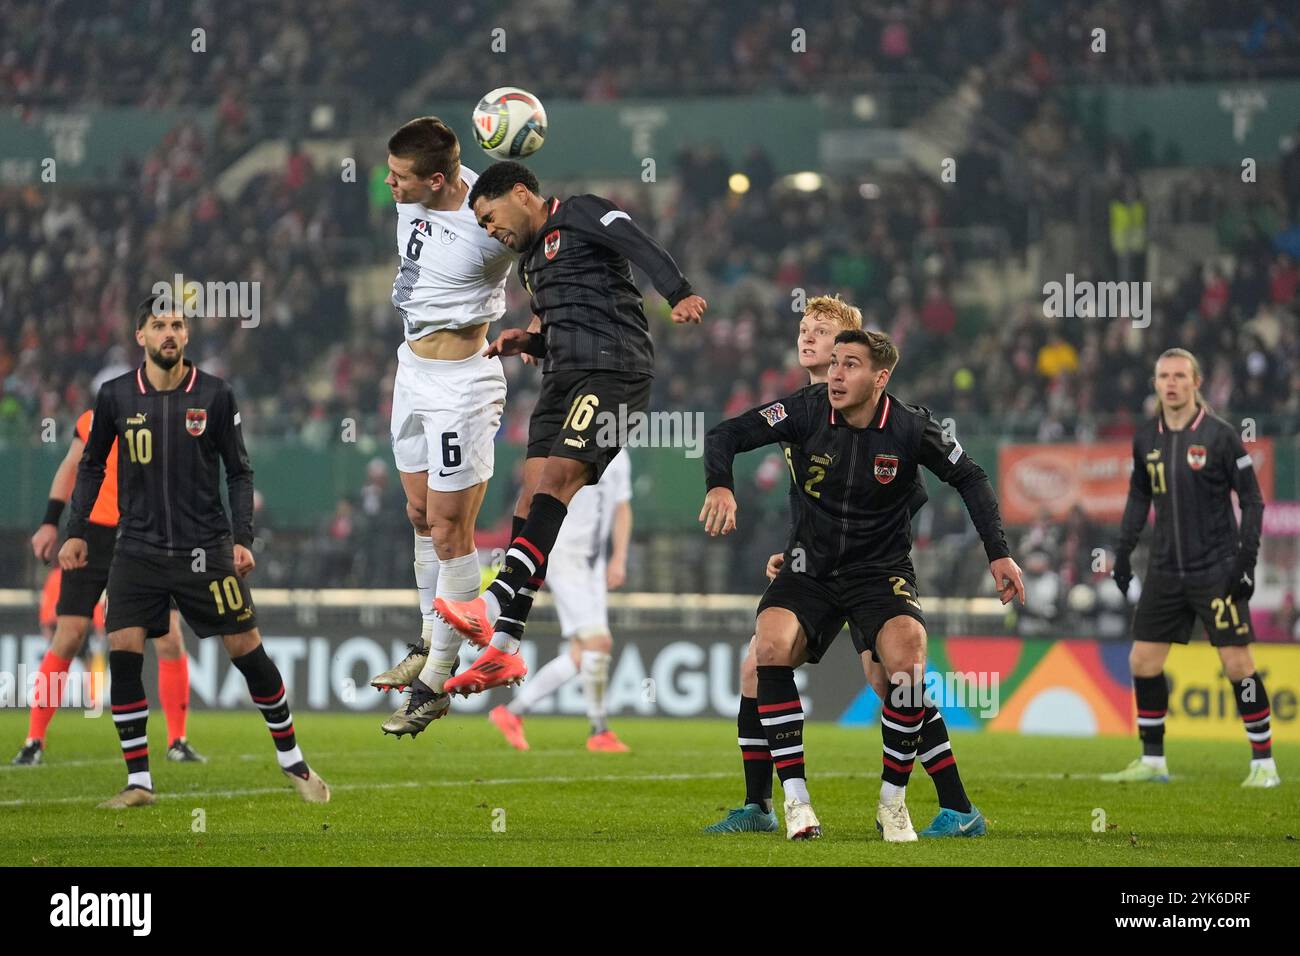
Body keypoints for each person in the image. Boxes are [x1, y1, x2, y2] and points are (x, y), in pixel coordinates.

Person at [699, 329, 1024, 839]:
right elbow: (725, 435)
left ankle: (893, 803)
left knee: (907, 661)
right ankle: (795, 803)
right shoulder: (803, 411)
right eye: (834, 364)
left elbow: (972, 477)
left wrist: (999, 553)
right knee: (769, 647)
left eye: (850, 365)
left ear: (880, 377)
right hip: (808, 569)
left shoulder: (912, 428)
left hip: (879, 572)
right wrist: (720, 484)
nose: (835, 374)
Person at [431, 161, 706, 702]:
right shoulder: (531, 262)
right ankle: (505, 647)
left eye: (490, 218)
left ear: (521, 193)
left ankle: (491, 605)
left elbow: (638, 242)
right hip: (561, 379)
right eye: (483, 226)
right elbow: (567, 317)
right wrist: (527, 342)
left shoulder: (580, 211)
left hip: (616, 372)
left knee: (556, 479)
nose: (491, 231)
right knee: (529, 496)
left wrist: (678, 292)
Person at [59, 296, 328, 808]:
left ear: (186, 336)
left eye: (177, 325)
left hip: (204, 549)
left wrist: (242, 539)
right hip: (135, 549)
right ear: (140, 336)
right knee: (123, 655)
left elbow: (240, 472)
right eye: (158, 325)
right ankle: (139, 781)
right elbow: (91, 467)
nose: (169, 333)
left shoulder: (215, 394)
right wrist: (75, 529)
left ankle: (292, 759)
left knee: (248, 652)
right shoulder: (114, 397)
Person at [366, 117, 516, 742]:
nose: (387, 185)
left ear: (436, 179)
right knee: (420, 514)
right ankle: (429, 633)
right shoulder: (417, 192)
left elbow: (542, 251)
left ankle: (436, 680)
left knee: (454, 528)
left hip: (462, 386)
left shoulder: (490, 224)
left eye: (399, 178)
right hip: (411, 370)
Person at [1104, 348, 1275, 788]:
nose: (1172, 383)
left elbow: (1253, 501)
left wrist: (1245, 562)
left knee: (1238, 664)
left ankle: (1264, 763)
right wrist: (1123, 552)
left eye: (1180, 375)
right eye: (1164, 376)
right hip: (1164, 569)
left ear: (1197, 382)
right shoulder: (1146, 438)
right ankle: (1153, 761)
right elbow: (1139, 497)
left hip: (1215, 568)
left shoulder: (1220, 437)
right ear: (1156, 383)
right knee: (1143, 660)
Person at [14, 409, 202, 765]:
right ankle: (34, 740)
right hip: (91, 535)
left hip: (147, 533)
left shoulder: (168, 417)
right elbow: (70, 466)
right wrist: (50, 523)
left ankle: (178, 739)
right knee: (69, 634)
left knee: (169, 636)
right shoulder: (92, 418)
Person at [488, 450, 633, 752]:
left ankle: (512, 713)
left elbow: (622, 508)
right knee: (598, 643)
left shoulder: (621, 457)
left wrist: (618, 557)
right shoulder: (576, 444)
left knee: (583, 654)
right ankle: (599, 730)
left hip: (593, 563)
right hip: (566, 555)